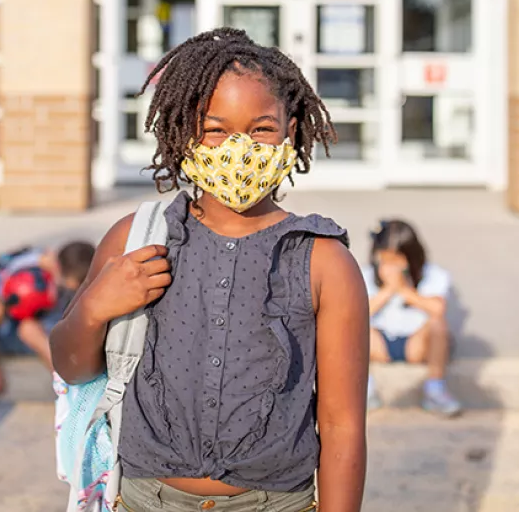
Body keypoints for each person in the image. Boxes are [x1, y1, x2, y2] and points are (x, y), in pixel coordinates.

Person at [50, 28, 369, 512]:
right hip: (144, 500)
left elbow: (343, 423)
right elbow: (71, 366)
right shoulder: (135, 239)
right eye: (215, 129)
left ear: (292, 127)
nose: (237, 148)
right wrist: (94, 308)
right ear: (182, 130)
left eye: (261, 128)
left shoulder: (324, 261)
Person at [0, 241, 96, 415]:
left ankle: (70, 389)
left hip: (46, 336)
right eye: (65, 283)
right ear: (56, 265)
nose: (65, 287)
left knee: (28, 328)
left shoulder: (75, 281)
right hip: (10, 331)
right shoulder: (20, 267)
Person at [363, 220, 462, 417]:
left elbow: (437, 309)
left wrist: (403, 289)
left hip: (415, 344)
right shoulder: (364, 274)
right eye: (385, 259)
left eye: (396, 260)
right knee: (351, 327)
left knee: (437, 324)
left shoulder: (433, 274)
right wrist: (387, 290)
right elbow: (358, 313)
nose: (390, 267)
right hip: (379, 343)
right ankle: (364, 390)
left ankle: (435, 390)